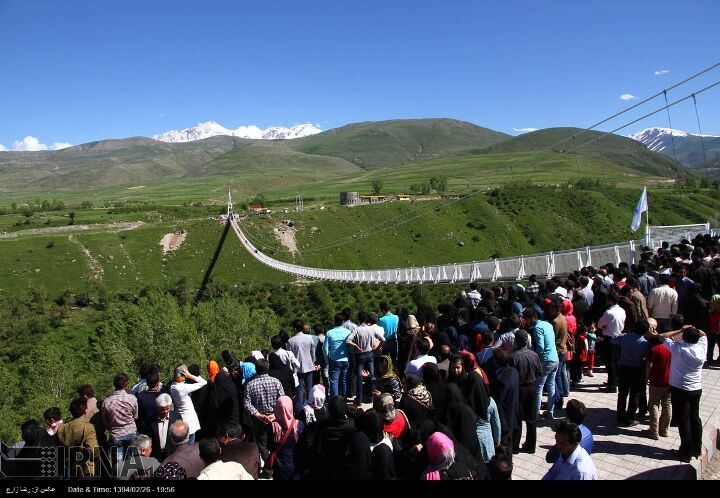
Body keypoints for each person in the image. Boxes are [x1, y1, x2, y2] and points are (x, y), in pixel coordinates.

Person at [653, 325, 707, 462]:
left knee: (683, 420)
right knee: (695, 418)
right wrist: (693, 329)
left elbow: (661, 336)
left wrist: (680, 330)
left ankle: (685, 452)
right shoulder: (701, 347)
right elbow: (703, 334)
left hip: (680, 389)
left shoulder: (678, 349)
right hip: (696, 388)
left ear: (684, 337)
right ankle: (696, 448)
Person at [523, 308, 559, 419]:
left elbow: (541, 347)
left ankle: (537, 413)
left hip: (545, 360)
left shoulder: (538, 328)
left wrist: (535, 356)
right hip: (555, 358)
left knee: (539, 387)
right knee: (551, 385)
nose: (527, 322)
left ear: (531, 318)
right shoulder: (547, 324)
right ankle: (550, 412)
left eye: (527, 320)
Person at [510, 329, 542, 454]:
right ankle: (530, 446)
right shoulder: (534, 355)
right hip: (532, 387)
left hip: (519, 389)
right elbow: (539, 372)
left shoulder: (513, 357)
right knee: (531, 419)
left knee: (517, 418)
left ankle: (515, 446)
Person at [643, 322, 672, 440]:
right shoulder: (673, 349)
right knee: (667, 404)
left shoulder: (655, 348)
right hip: (670, 380)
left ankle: (653, 431)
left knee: (654, 404)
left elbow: (649, 365)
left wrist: (646, 377)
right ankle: (664, 430)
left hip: (656, 380)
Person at [56, 398, 99, 477]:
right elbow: (93, 450)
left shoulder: (62, 428)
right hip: (85, 469)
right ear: (85, 411)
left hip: (69, 467)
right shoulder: (88, 427)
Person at [102, 373, 139, 464]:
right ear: (126, 384)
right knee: (132, 464)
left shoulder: (107, 402)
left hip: (116, 435)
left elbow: (105, 422)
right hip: (131, 433)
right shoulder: (132, 399)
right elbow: (135, 416)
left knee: (118, 468)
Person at [266, 396, 304, 480]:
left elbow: (269, 446)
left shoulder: (272, 426)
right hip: (295, 466)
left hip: (279, 468)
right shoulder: (299, 425)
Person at [169, 364, 207, 444]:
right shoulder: (184, 388)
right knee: (190, 444)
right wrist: (190, 376)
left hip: (180, 418)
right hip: (189, 421)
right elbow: (204, 382)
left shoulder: (172, 386)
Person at [323, 313, 351, 397]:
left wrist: (327, 361)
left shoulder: (329, 333)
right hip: (345, 359)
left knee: (334, 381)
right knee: (344, 380)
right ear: (343, 321)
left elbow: (325, 349)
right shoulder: (348, 332)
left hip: (334, 360)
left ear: (334, 321)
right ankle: (344, 399)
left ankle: (335, 401)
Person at [148, 393, 181, 461]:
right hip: (156, 456)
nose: (165, 411)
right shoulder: (151, 420)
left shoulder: (176, 417)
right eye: (162, 409)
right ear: (157, 408)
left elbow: (179, 436)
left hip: (172, 454)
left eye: (167, 408)